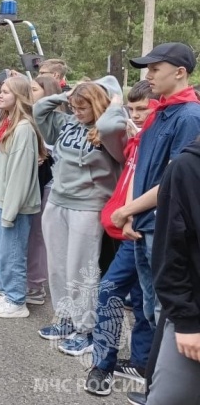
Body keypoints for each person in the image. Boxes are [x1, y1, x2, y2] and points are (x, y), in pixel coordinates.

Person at [110, 43, 200, 403]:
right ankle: (155, 380)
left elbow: (175, 182)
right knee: (152, 307)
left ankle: (168, 388)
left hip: (163, 226)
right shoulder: (160, 112)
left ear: (180, 72)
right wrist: (132, 210)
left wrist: (131, 209)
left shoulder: (189, 116)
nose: (147, 75)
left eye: (155, 68)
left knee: (168, 310)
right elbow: (145, 169)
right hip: (147, 222)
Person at [34, 77, 128, 356]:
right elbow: (39, 109)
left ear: (98, 104)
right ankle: (66, 317)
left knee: (81, 267)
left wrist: (115, 100)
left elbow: (112, 123)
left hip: (88, 205)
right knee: (58, 265)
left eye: (83, 107)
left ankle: (86, 329)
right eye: (74, 107)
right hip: (58, 201)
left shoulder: (108, 131)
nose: (76, 112)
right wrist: (67, 96)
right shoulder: (69, 123)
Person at [84, 81, 157, 396]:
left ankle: (132, 363)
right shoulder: (138, 139)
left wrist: (113, 98)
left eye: (144, 109)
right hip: (130, 230)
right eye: (132, 108)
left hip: (145, 230)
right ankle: (111, 362)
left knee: (132, 298)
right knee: (124, 294)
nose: (136, 115)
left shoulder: (163, 137)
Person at [0, 76, 45, 318]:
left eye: (6, 92)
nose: (0, 95)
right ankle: (7, 293)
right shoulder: (5, 123)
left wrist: (11, 209)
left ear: (19, 97)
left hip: (14, 204)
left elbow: (20, 175)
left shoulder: (24, 129)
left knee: (13, 252)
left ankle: (17, 301)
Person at [145, 137, 200, 405]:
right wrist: (187, 322)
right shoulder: (187, 167)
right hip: (193, 317)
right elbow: (170, 251)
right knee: (171, 397)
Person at [25, 74, 61, 306]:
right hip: (30, 184)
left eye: (35, 89)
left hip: (49, 184)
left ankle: (37, 285)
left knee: (39, 235)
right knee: (29, 235)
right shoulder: (30, 119)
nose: (30, 93)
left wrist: (44, 155)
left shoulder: (57, 121)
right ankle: (29, 280)